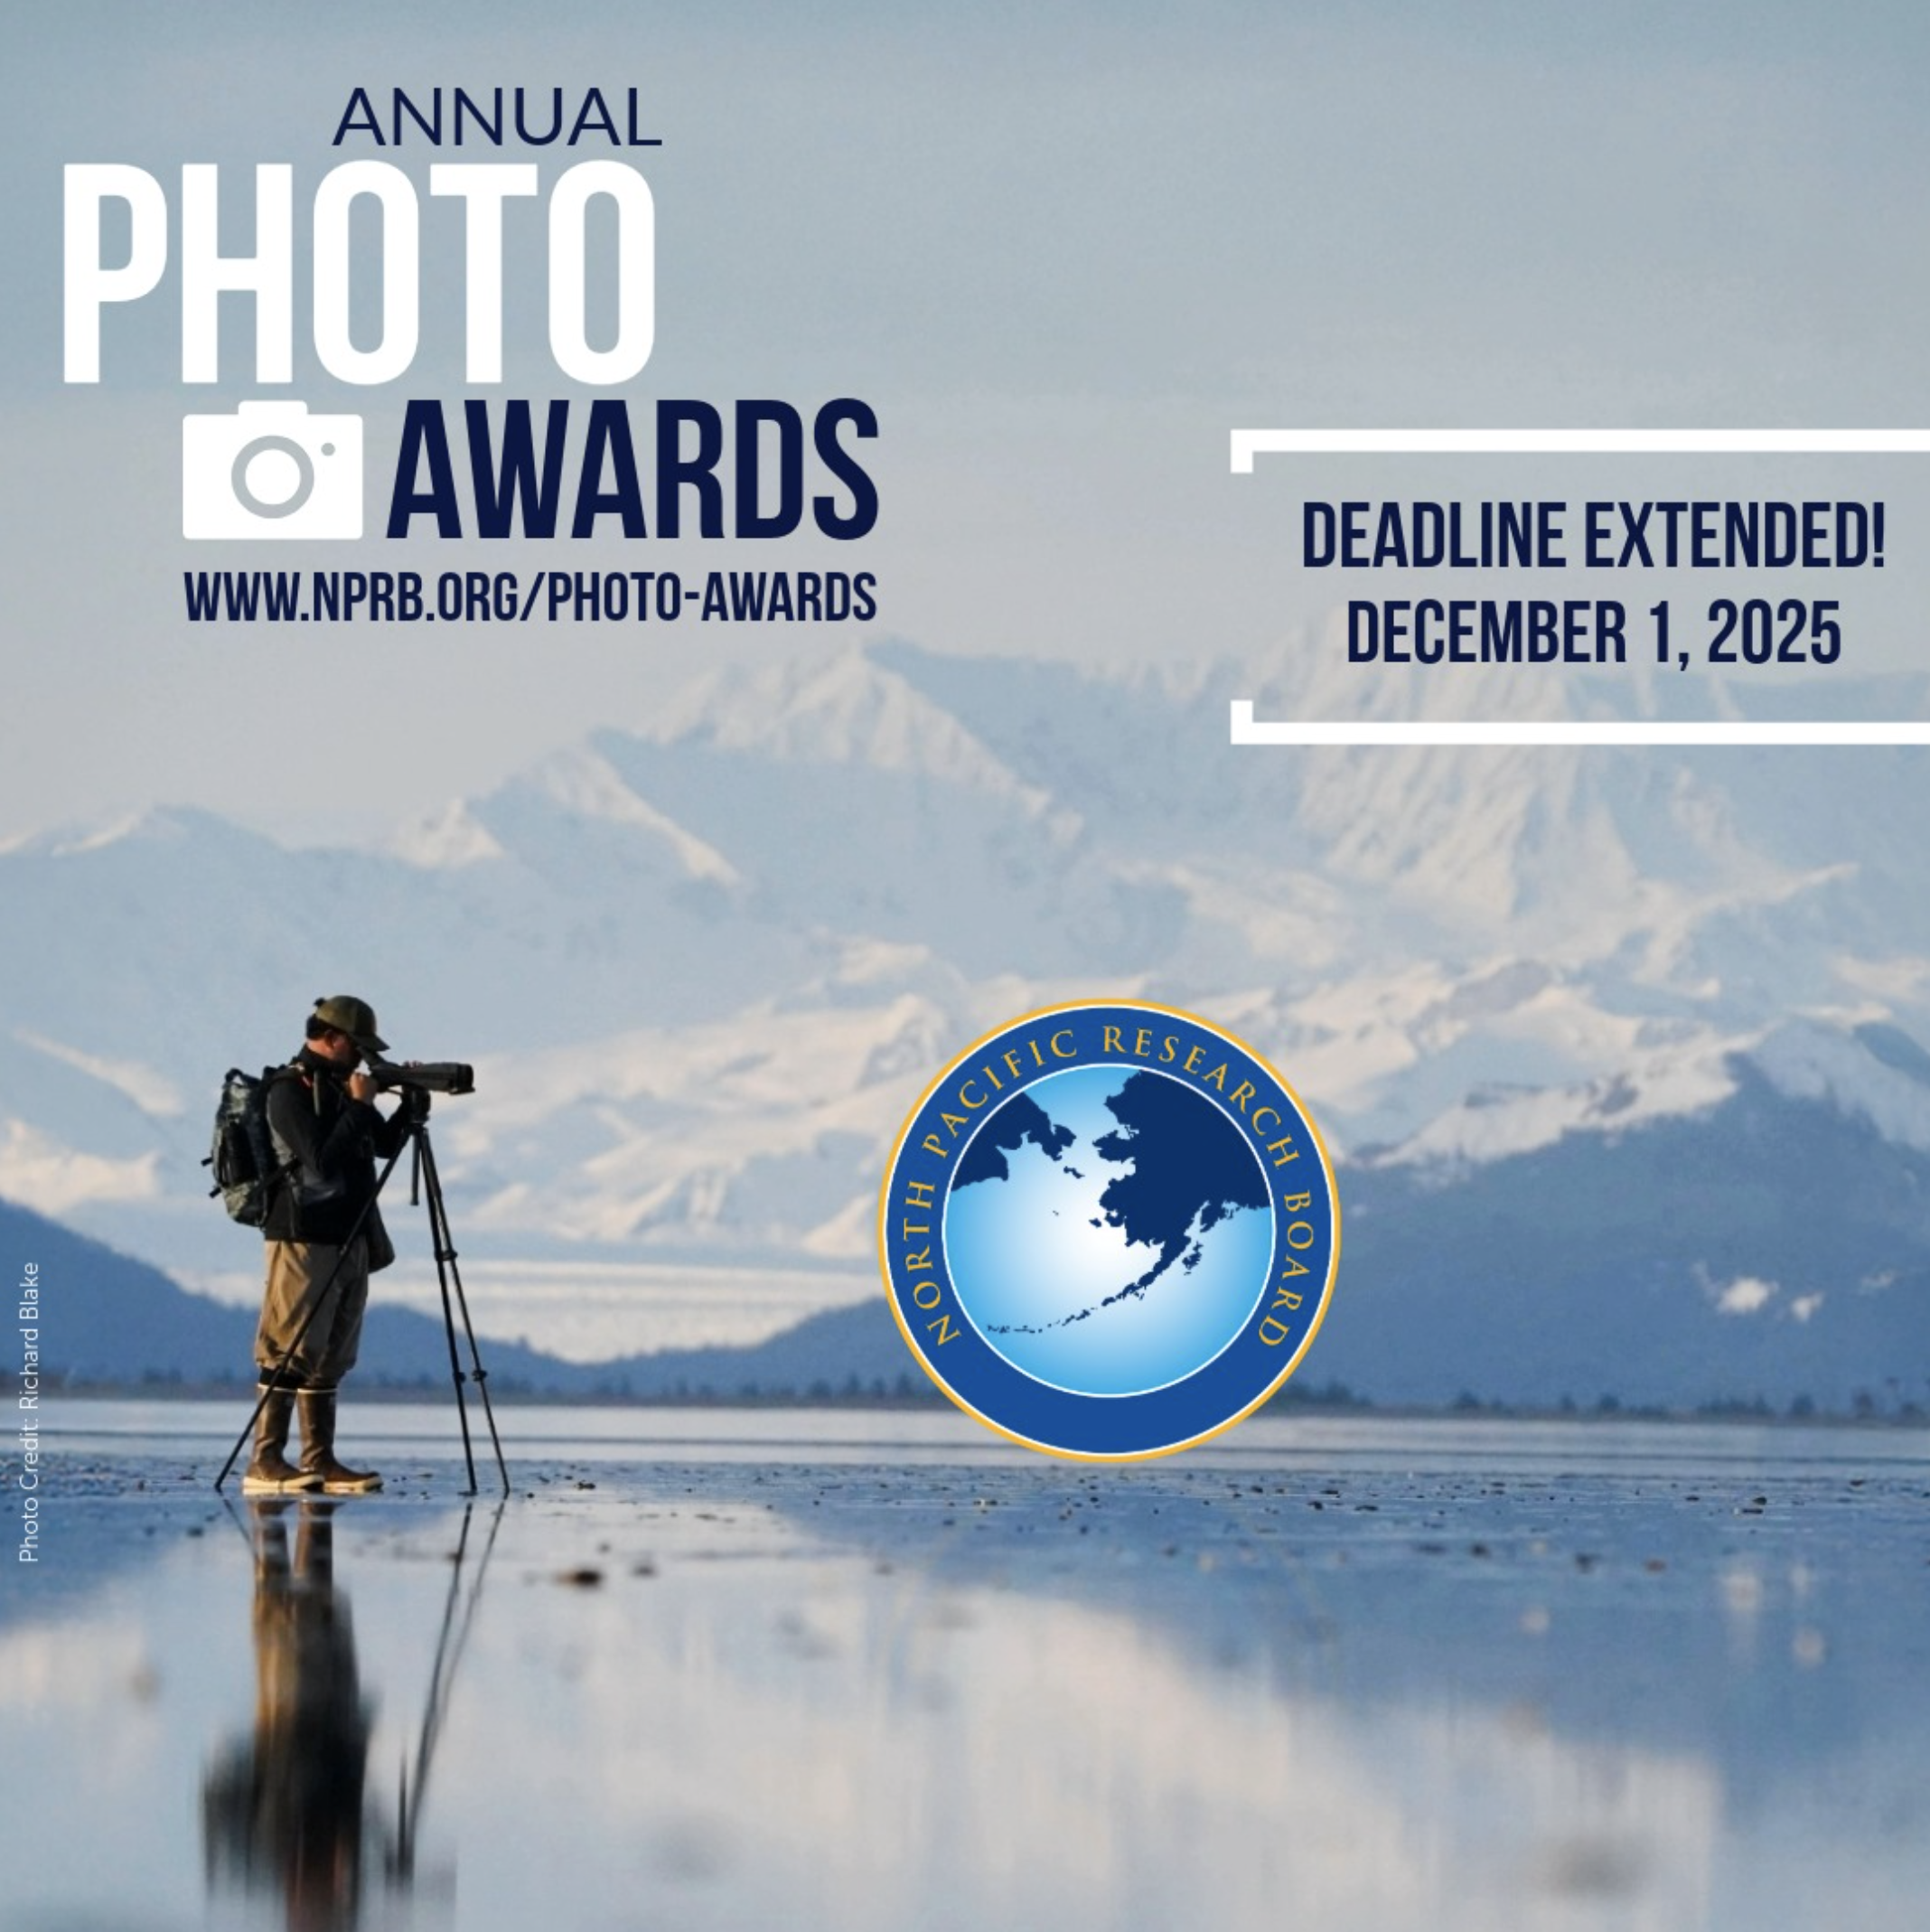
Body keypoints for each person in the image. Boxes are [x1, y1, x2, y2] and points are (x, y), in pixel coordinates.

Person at [243, 995, 412, 1497]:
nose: (362, 1058)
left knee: (330, 1352)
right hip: (301, 1236)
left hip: (350, 1233)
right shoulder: (287, 1091)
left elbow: (379, 1145)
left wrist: (405, 1106)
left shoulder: (342, 1088)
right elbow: (319, 1159)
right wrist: (361, 1105)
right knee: (289, 1344)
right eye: (357, 1046)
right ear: (331, 1038)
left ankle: (319, 1461)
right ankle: (265, 1460)